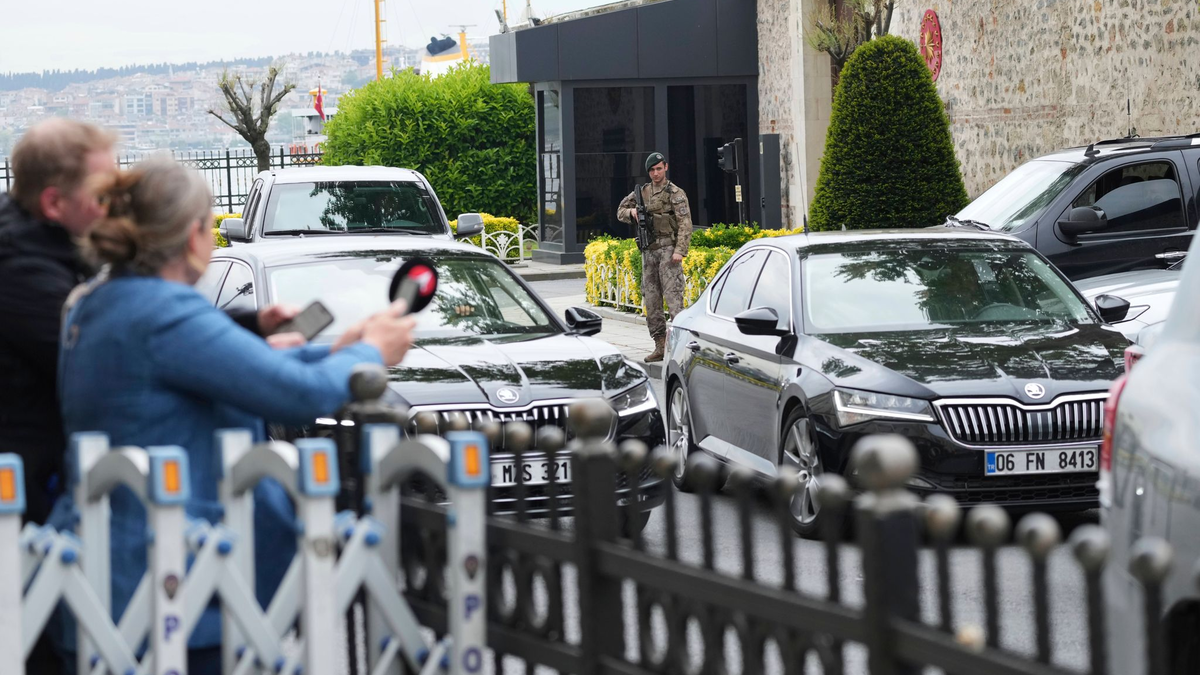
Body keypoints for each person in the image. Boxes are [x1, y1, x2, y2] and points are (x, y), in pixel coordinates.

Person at [52, 156, 417, 673]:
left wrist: (341, 349)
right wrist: (370, 354)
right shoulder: (164, 311)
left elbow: (236, 369)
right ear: (195, 233)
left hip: (112, 574)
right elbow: (296, 394)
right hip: (173, 586)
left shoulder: (101, 302)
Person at [616, 151, 694, 362]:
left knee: (673, 298)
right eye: (652, 170)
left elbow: (685, 224)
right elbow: (620, 211)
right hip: (649, 251)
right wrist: (632, 213)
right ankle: (660, 345)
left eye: (659, 168)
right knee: (651, 300)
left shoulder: (675, 193)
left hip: (668, 250)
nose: (656, 173)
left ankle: (680, 346)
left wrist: (680, 250)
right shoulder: (642, 193)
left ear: (665, 168)